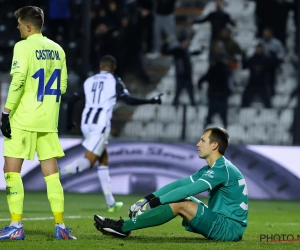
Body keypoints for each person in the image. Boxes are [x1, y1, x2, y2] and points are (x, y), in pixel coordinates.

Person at [0, 6, 76, 240]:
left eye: (20, 24)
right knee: (52, 174)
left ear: (29, 26)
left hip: (23, 118)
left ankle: (15, 227)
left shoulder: (23, 47)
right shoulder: (58, 49)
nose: (18, 28)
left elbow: (19, 80)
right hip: (48, 120)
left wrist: (5, 112)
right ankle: (61, 226)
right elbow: (62, 86)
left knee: (11, 172)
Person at [93, 127, 248, 241]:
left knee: (181, 203)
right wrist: (147, 198)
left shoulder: (222, 169)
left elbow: (189, 189)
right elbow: (180, 184)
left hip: (229, 229)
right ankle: (123, 227)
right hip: (222, 221)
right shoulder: (214, 167)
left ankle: (122, 227)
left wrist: (155, 203)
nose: (197, 144)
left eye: (202, 140)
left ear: (214, 145)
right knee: (180, 198)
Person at [60, 55, 163, 213]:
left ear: (101, 66)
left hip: (86, 124)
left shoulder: (89, 80)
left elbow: (72, 100)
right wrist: (150, 101)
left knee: (103, 159)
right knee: (88, 162)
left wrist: (68, 121)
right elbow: (127, 100)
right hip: (100, 125)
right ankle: (57, 171)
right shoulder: (114, 81)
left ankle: (110, 202)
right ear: (113, 67)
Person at [161, 32, 202, 106]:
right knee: (178, 93)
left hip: (187, 76)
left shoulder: (185, 50)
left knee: (190, 92)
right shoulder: (177, 50)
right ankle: (175, 106)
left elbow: (190, 54)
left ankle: (192, 106)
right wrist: (166, 43)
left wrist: (198, 52)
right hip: (181, 76)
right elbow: (165, 52)